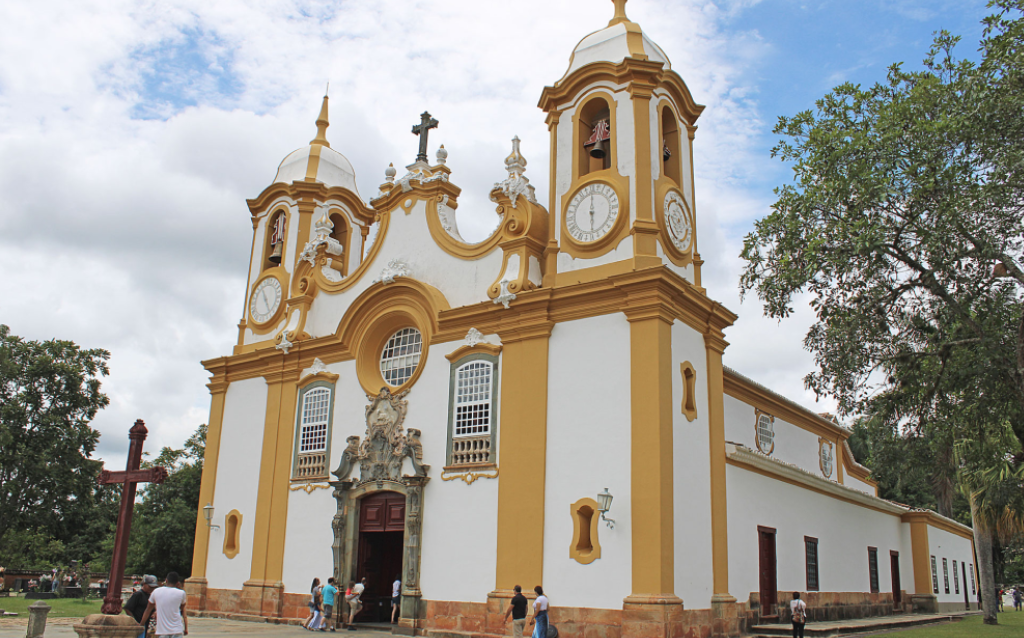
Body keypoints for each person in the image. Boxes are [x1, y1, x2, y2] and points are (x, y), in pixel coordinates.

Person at [141, 572, 188, 638]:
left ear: (166, 580)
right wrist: (186, 628)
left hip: (163, 631)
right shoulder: (181, 593)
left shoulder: (156, 591)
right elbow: (182, 608)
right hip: (177, 629)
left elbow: (148, 610)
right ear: (178, 583)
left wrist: (141, 624)